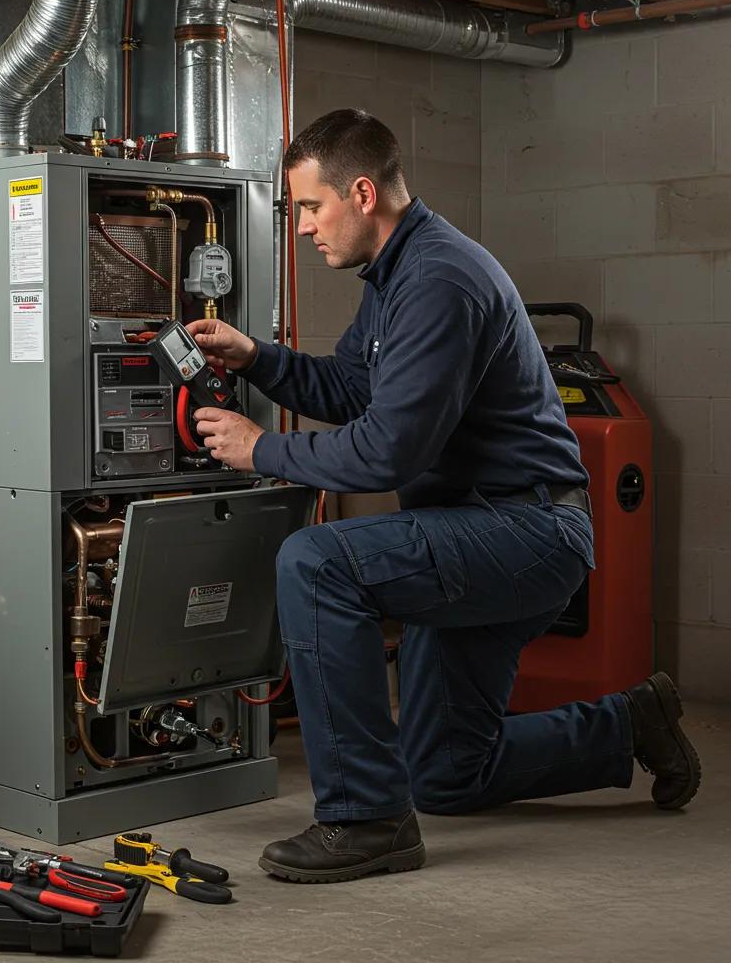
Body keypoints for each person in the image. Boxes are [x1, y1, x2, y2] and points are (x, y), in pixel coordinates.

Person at [186, 108, 701, 884]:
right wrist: (258, 358)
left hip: (525, 533)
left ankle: (363, 819)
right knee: (448, 774)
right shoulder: (395, 274)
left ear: (362, 194)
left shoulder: (439, 278)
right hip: (482, 528)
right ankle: (629, 725)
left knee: (317, 563)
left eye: (309, 208)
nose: (301, 229)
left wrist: (264, 450)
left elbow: (389, 448)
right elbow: (357, 387)